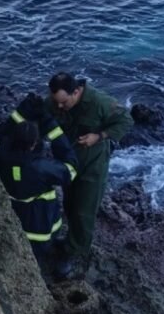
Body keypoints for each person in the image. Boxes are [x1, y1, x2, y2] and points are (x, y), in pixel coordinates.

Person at [45, 72, 134, 278]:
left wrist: (100, 136)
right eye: (56, 102)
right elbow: (41, 112)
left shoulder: (100, 102)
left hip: (92, 164)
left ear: (76, 92)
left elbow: (126, 120)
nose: (59, 107)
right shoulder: (56, 101)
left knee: (84, 210)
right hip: (68, 161)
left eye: (63, 102)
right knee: (69, 203)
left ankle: (74, 253)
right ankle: (70, 240)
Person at [0, 95, 78, 274]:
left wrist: (21, 112)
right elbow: (71, 168)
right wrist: (51, 125)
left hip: (15, 215)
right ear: (34, 144)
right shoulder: (42, 167)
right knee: (38, 252)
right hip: (40, 224)